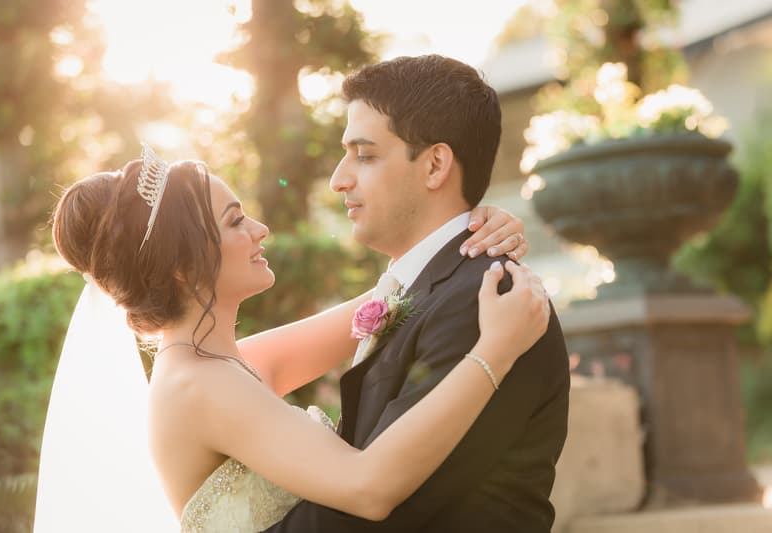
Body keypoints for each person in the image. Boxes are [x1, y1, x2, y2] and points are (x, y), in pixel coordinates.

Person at [34, 145, 548, 531]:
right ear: (182, 268)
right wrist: (494, 353)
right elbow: (369, 488)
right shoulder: (199, 387)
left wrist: (471, 230)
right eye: (235, 221)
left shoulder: (225, 365)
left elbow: (388, 298)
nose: (261, 229)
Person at [263, 55, 571, 533]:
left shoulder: (485, 299)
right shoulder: (423, 289)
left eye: (364, 155)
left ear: (434, 165)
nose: (338, 179)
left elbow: (386, 508)